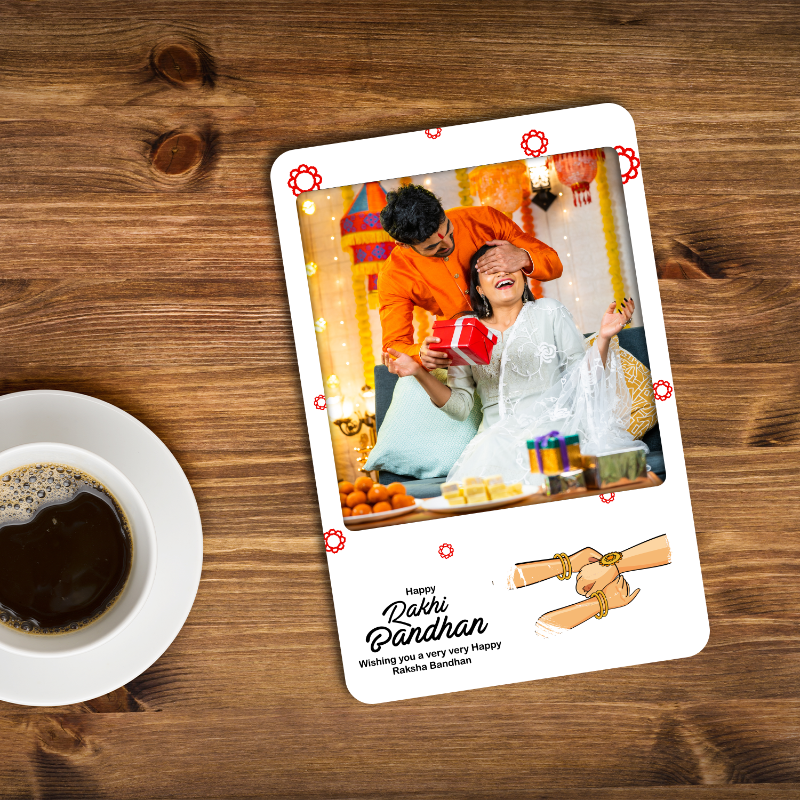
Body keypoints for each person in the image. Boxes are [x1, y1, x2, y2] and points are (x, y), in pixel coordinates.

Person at [382, 244, 646, 483]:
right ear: (479, 289)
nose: (501, 273)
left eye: (507, 266)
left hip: (554, 435)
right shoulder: (465, 327)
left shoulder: (550, 311)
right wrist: (418, 372)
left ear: (522, 276)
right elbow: (460, 407)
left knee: (610, 475)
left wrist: (603, 338)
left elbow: (582, 382)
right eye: (489, 270)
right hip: (497, 444)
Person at [378, 184, 563, 370]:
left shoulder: (484, 220)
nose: (447, 243)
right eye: (432, 247)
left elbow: (554, 264)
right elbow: (394, 346)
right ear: (403, 244)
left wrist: (523, 257)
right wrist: (421, 354)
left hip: (522, 330)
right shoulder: (394, 274)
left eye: (448, 231)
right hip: (462, 355)